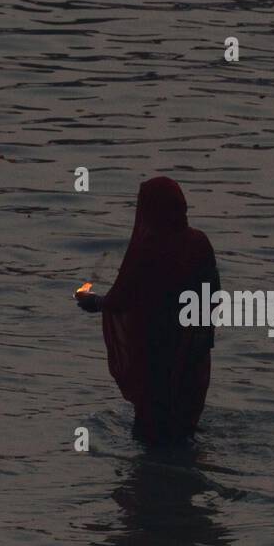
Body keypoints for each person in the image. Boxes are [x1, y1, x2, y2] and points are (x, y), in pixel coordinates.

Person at [78, 177, 220, 445]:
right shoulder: (200, 243)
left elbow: (123, 299)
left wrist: (93, 301)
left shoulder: (150, 248)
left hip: (157, 361)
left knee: (151, 441)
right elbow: (213, 296)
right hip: (194, 357)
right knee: (184, 433)